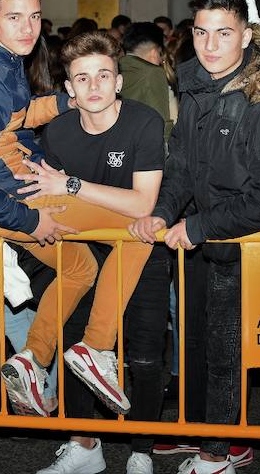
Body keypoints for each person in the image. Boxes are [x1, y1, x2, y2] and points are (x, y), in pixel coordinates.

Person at [0, 0, 154, 418]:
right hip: (22, 199)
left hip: (15, 198)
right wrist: (31, 219)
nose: (28, 28)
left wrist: (64, 101)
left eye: (34, 16)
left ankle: (33, 358)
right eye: (15, 17)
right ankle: (95, 348)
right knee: (140, 229)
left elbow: (13, 119)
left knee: (78, 270)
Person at [130, 0, 260, 474]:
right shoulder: (197, 88)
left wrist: (198, 225)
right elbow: (183, 165)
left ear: (247, 36)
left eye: (222, 33)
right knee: (220, 356)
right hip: (223, 248)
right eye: (201, 32)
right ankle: (217, 453)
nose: (209, 45)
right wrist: (164, 211)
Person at [17, 32, 165, 474]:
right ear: (69, 89)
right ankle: (83, 445)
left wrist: (73, 186)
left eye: (103, 75)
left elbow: (143, 204)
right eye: (82, 78)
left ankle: (141, 449)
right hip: (87, 242)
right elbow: (59, 202)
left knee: (144, 354)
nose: (94, 86)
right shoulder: (58, 130)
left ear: (119, 82)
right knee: (76, 341)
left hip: (141, 241)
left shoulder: (144, 121)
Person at [118, 22, 175, 141]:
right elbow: (161, 120)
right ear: (154, 52)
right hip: (147, 145)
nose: (160, 60)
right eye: (160, 54)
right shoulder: (153, 73)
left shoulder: (114, 69)